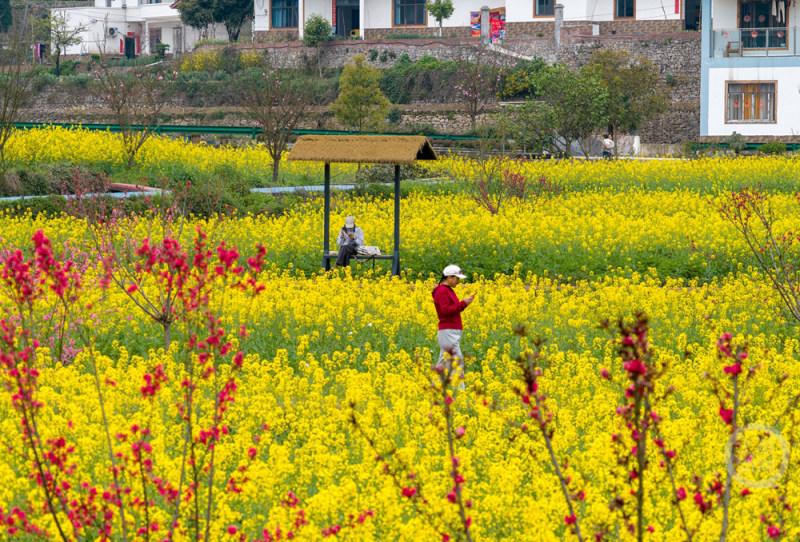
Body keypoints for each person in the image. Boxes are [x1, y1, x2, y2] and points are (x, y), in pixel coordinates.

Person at [432, 264, 475, 378]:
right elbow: (445, 310)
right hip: (448, 332)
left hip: (450, 331)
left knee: (443, 363)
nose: (458, 282)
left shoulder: (447, 290)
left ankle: (434, 386)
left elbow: (453, 309)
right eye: (457, 278)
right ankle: (460, 388)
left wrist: (464, 303)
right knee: (457, 362)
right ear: (449, 277)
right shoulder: (442, 291)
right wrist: (463, 303)